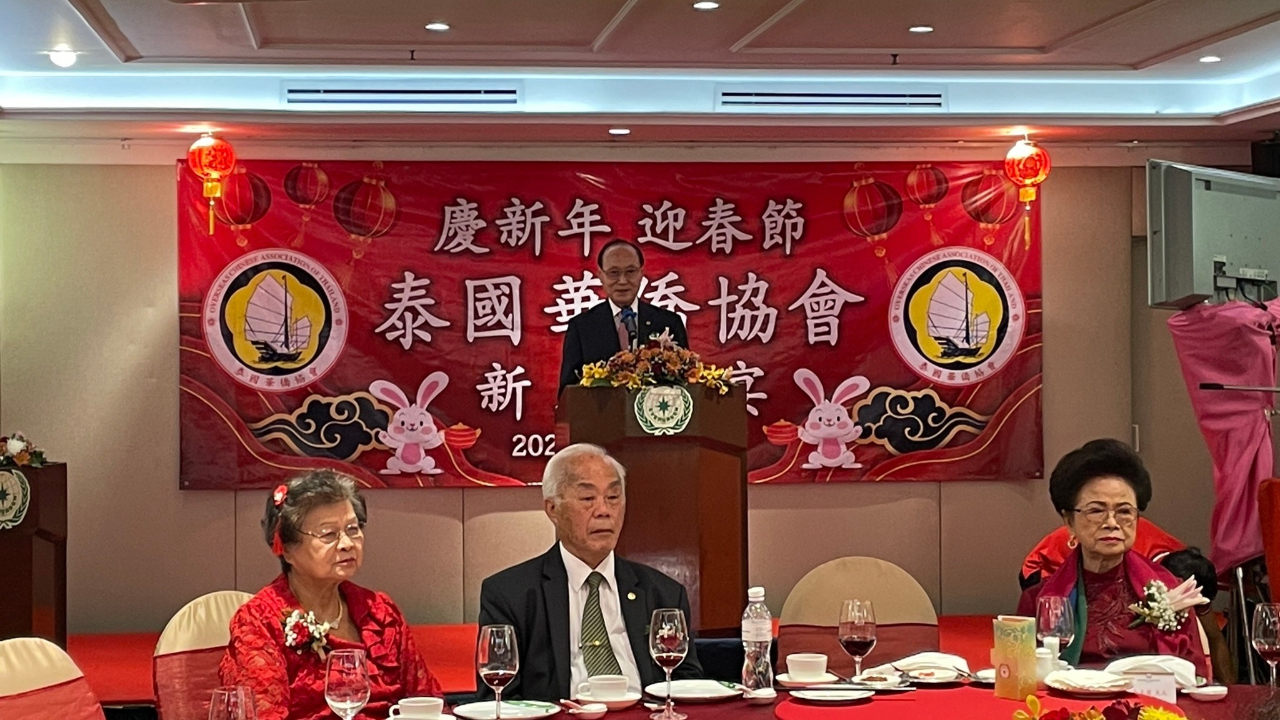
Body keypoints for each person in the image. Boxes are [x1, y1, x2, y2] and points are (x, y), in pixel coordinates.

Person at [476, 443, 704, 702]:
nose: (604, 511)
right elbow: (497, 698)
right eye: (587, 499)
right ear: (553, 509)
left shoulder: (663, 593)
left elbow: (686, 685)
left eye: (613, 497)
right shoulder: (510, 595)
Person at [220, 470, 442, 720]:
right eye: (328, 534)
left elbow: (428, 704)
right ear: (287, 549)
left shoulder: (380, 612)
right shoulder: (258, 621)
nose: (347, 543)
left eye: (353, 529)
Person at [1016, 439, 1208, 672]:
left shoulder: (1170, 590)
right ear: (1069, 521)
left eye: (1124, 511)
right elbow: (1023, 678)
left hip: (1149, 695)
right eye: (1096, 510)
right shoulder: (1038, 600)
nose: (1111, 523)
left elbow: (1195, 676)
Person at [557, 240, 689, 393]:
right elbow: (568, 391)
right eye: (614, 273)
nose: (623, 281)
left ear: (641, 273)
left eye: (630, 271)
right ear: (601, 275)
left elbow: (686, 382)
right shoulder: (582, 327)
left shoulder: (669, 322)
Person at [1161, 547, 1235, 684]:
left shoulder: (1201, 598)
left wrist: (1229, 687)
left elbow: (1215, 637)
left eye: (1200, 606)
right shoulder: (1148, 587)